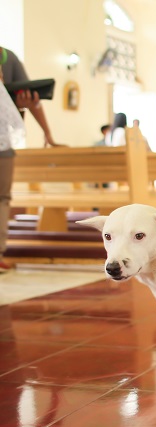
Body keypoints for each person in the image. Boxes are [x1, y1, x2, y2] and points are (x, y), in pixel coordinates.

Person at [0, 46, 62, 272]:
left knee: (1, 198)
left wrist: (48, 133)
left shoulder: (6, 57)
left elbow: (30, 99)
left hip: (2, 142)